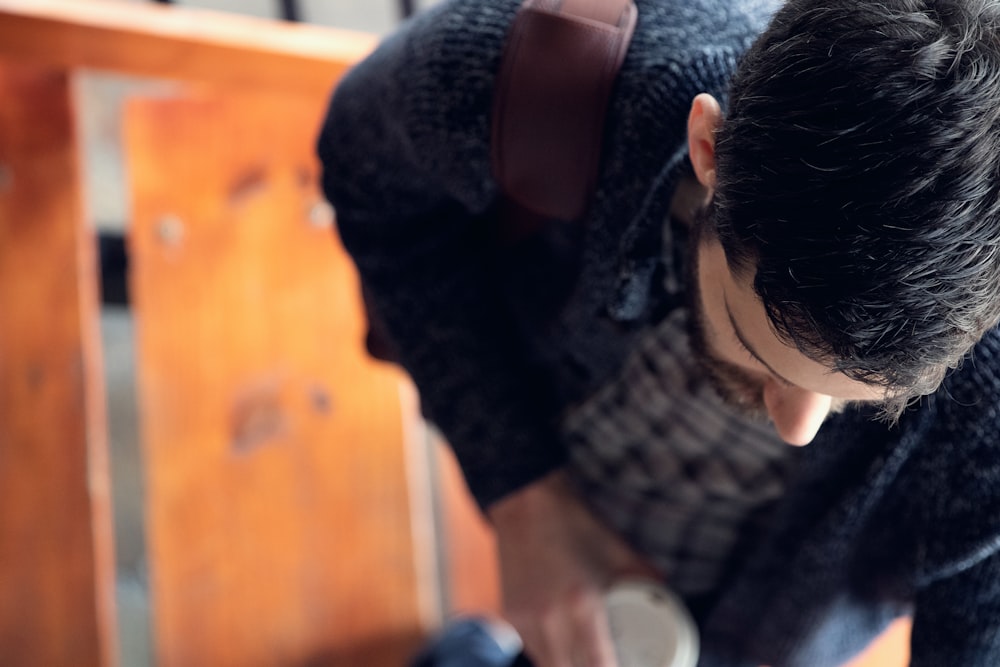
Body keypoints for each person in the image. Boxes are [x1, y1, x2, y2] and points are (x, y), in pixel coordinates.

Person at [317, 0, 1000, 665]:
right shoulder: (551, 77)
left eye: (869, 397)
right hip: (563, 461)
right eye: (762, 353)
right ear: (710, 149)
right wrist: (523, 493)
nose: (798, 427)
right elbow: (367, 177)